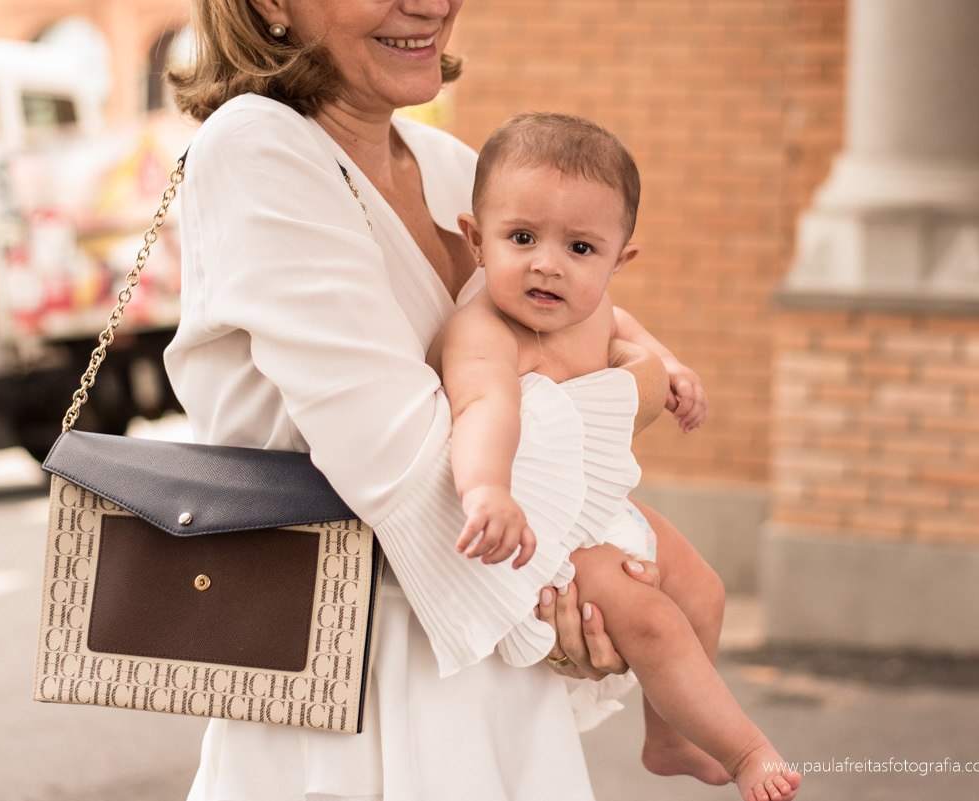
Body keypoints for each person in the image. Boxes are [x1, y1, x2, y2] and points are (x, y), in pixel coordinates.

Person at [164, 1, 715, 798]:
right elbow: (410, 470)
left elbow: (562, 372)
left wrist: (588, 600)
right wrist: (637, 391)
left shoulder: (456, 166)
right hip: (353, 692)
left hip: (496, 679)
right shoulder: (257, 146)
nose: (430, 3)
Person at [427, 112, 801, 801]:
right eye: (521, 238)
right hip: (543, 534)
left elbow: (628, 328)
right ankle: (747, 751)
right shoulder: (483, 331)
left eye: (580, 248)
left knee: (704, 591)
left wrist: (671, 365)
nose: (547, 263)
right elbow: (484, 408)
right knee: (653, 621)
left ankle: (670, 737)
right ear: (476, 239)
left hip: (603, 510)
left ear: (617, 262)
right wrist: (486, 490)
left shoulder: (592, 311)